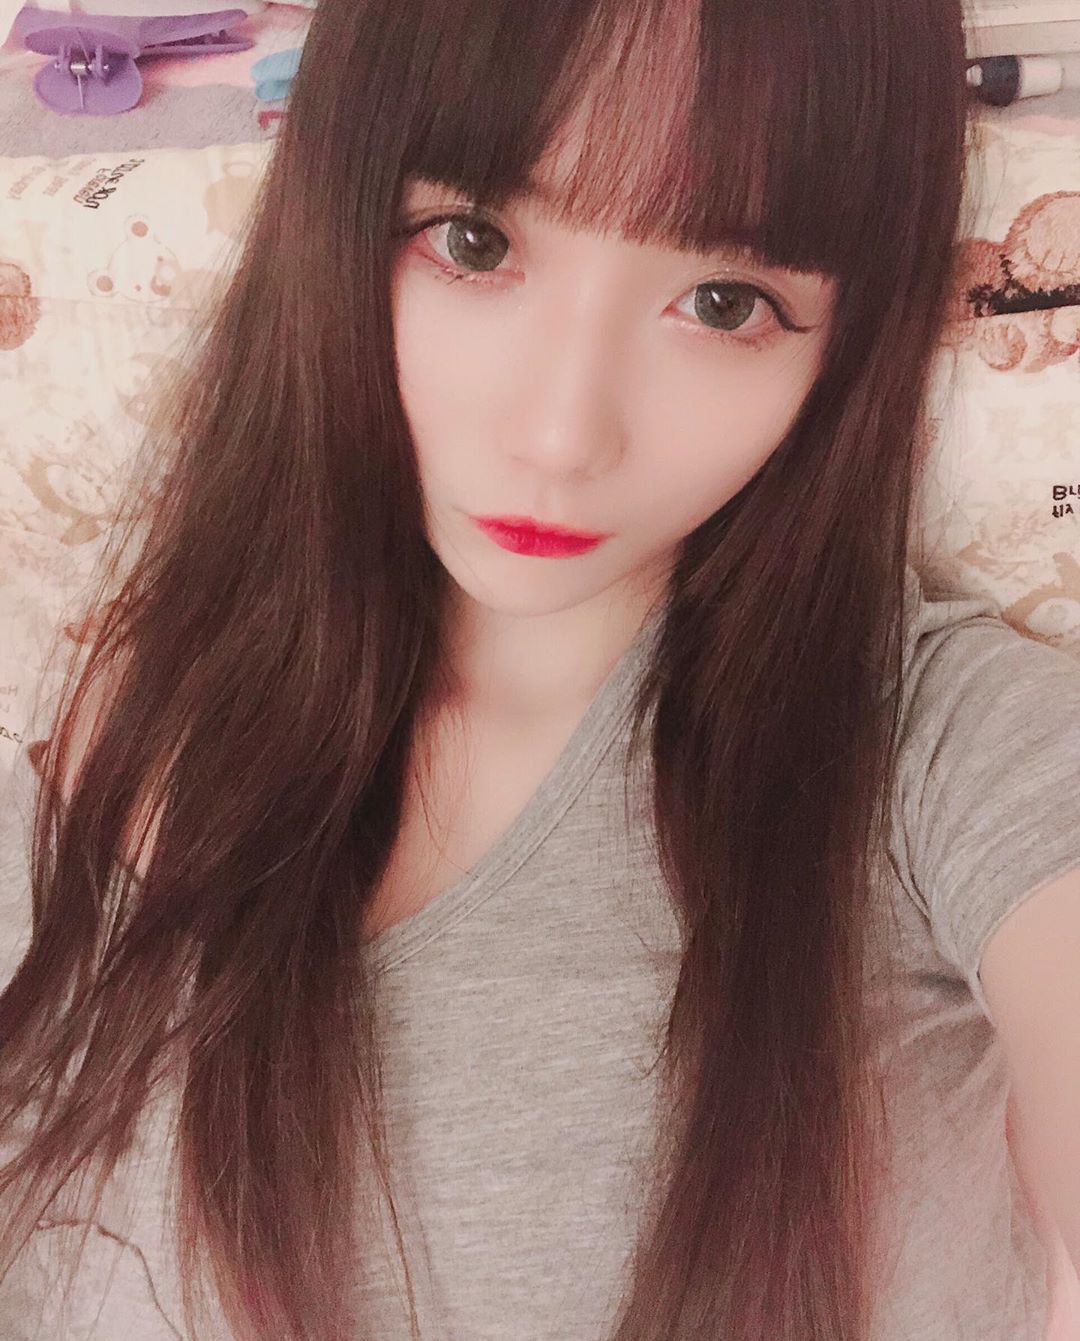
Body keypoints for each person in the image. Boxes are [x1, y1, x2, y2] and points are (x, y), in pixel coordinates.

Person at [1, 0, 1079, 1337]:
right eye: (475, 243)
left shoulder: (936, 755)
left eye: (725, 303)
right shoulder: (128, 705)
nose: (563, 434)